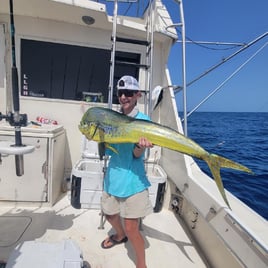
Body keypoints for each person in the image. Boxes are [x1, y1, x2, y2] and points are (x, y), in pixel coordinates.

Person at [101, 75, 153, 268]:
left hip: (133, 180)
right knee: (109, 215)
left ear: (137, 94)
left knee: (132, 228)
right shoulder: (111, 118)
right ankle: (119, 235)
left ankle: (141, 265)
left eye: (129, 93)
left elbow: (136, 155)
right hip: (113, 177)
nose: (124, 97)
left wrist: (141, 147)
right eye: (121, 93)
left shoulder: (144, 120)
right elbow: (106, 150)